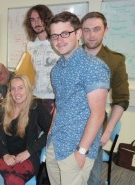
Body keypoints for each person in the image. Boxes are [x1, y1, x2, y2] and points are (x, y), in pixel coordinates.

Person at [45, 11, 110, 185]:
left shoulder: (94, 67)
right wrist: (50, 133)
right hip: (55, 143)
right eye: (54, 36)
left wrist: (82, 151)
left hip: (76, 147)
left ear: (78, 33)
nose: (59, 40)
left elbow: (98, 114)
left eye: (65, 33)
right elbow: (59, 105)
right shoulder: (57, 70)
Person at [81, 12, 130, 185]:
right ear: (80, 32)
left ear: (105, 30)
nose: (91, 35)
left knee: (92, 179)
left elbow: (121, 99)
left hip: (95, 128)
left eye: (96, 29)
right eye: (86, 30)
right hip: (69, 127)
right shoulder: (70, 57)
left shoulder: (115, 61)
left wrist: (108, 130)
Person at [0, 74, 51, 185]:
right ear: (9, 91)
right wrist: (5, 155)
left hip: (27, 155)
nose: (17, 93)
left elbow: (50, 131)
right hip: (3, 154)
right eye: (13, 89)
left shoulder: (36, 107)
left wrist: (29, 151)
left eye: (21, 88)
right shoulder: (2, 108)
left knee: (14, 180)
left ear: (28, 89)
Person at [23, 4, 60, 115]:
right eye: (33, 20)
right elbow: (28, 74)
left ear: (47, 20)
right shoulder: (30, 46)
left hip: (53, 99)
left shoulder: (58, 43)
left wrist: (59, 102)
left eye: (40, 19)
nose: (36, 23)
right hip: (35, 98)